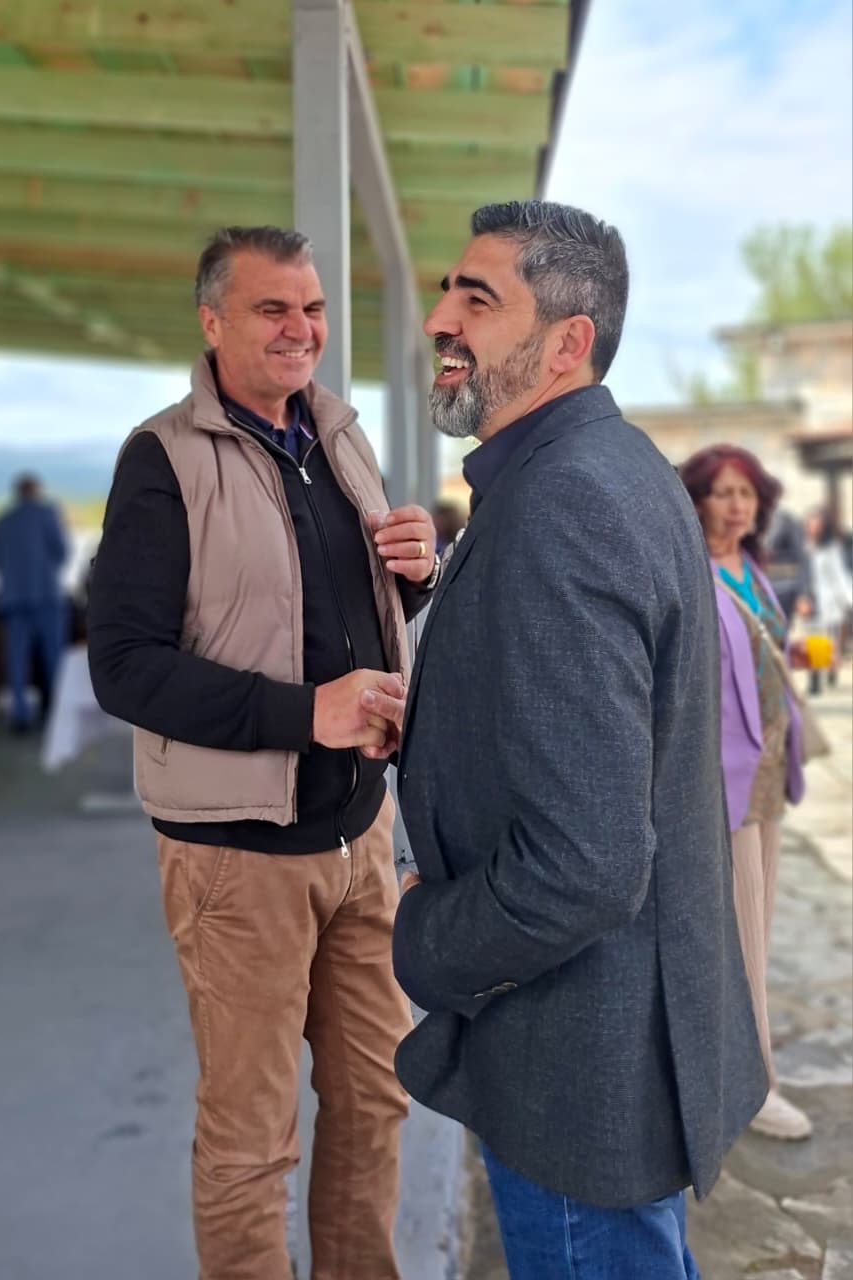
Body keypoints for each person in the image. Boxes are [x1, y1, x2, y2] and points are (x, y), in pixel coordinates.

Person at [368, 201, 767, 1279]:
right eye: (446, 293)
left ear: (565, 342)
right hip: (605, 1045)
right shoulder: (603, 467)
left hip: (576, 1065)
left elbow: (584, 865)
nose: (441, 320)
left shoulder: (564, 501)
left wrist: (423, 932)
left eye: (477, 300)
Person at [87, 225, 439, 1280]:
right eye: (272, 308)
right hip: (237, 856)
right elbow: (125, 667)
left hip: (358, 833)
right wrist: (304, 715)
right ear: (212, 321)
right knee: (252, 1138)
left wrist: (416, 576)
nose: (302, 328)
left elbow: (335, 614)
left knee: (376, 1095)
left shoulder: (338, 435)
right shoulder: (162, 458)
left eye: (313, 307)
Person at [679, 445, 812, 1141]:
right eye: (723, 492)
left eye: (747, 493)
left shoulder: (749, 569)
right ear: (697, 499)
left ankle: (736, 1073)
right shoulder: (689, 573)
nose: (738, 505)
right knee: (740, 941)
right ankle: (754, 1089)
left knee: (755, 931)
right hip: (721, 783)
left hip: (767, 775)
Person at [0, 473, 68, 732]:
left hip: (14, 599)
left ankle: (19, 714)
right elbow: (61, 552)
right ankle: (56, 713)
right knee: (53, 656)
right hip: (46, 596)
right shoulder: (49, 514)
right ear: (37, 490)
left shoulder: (1, 520)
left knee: (16, 658)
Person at [800, 506, 853, 693]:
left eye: (817, 523)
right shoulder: (803, 548)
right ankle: (815, 677)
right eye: (811, 522)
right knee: (811, 640)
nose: (813, 526)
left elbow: (839, 577)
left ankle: (823, 673)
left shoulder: (831, 550)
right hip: (808, 600)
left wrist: (848, 601)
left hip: (827, 602)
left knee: (822, 640)